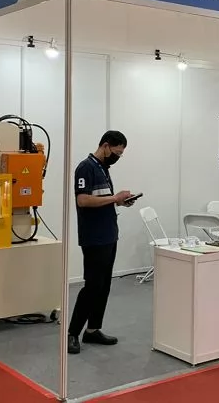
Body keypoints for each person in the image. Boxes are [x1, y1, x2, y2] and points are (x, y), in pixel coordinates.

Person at [68, 130, 135, 354]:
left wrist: (119, 202)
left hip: (108, 235)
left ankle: (93, 329)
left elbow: (102, 200)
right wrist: (115, 198)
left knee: (104, 286)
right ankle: (72, 333)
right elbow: (83, 200)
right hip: (94, 237)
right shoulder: (86, 167)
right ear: (105, 146)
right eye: (116, 152)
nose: (117, 157)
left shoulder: (103, 169)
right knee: (92, 286)